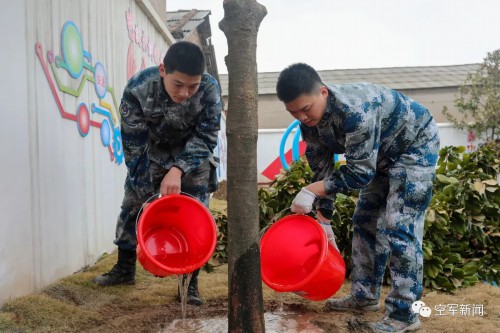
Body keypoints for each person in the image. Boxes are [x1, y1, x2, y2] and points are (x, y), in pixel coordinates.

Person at [276, 63, 439, 333]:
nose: (302, 117)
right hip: (381, 156)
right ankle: (364, 296)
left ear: (323, 92)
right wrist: (324, 218)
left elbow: (360, 174)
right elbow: (322, 171)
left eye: (306, 109)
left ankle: (405, 313)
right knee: (364, 220)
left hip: (414, 147)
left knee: (400, 227)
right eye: (294, 113)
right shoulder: (309, 125)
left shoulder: (356, 110)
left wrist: (312, 191)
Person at [93, 41, 222, 306]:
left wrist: (177, 170)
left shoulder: (209, 89)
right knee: (133, 203)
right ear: (163, 70)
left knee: (195, 212)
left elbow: (207, 137)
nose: (185, 93)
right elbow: (133, 146)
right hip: (149, 154)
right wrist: (149, 196)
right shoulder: (138, 89)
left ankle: (189, 283)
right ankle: (125, 269)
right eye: (178, 84)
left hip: (193, 156)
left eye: (192, 86)